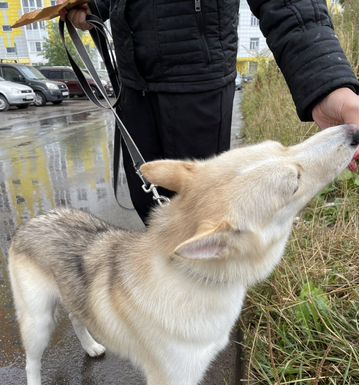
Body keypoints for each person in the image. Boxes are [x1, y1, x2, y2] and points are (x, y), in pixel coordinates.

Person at [63, 0, 359, 224]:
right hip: (132, 82)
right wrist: (95, 5)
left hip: (199, 80)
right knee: (150, 205)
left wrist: (325, 82)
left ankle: (206, 294)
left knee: (201, 212)